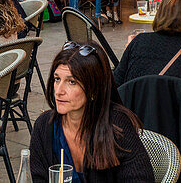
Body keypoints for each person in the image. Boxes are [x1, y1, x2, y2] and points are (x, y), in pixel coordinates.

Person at [28, 41, 155, 182]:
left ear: (93, 89)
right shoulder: (44, 126)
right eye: (57, 79)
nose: (58, 91)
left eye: (72, 82)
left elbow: (140, 179)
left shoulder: (116, 125)